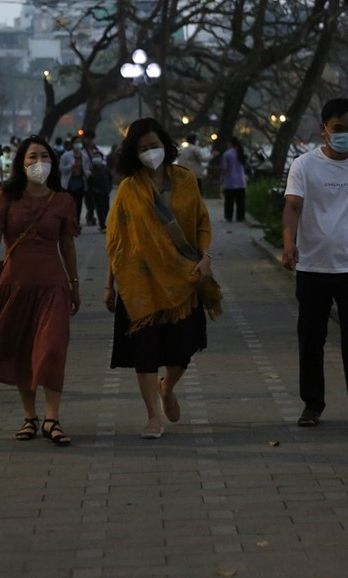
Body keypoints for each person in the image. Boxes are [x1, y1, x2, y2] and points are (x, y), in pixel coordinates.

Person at [0, 135, 81, 446]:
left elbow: (68, 245)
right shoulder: (5, 197)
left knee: (51, 349)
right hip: (14, 284)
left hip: (53, 285)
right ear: (20, 162)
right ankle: (30, 417)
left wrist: (75, 284)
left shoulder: (62, 201)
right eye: (33, 157)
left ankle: (53, 418)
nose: (40, 163)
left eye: (45, 157)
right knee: (23, 351)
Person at [103, 117, 222, 439]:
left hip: (183, 279)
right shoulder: (129, 189)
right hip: (139, 284)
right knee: (145, 353)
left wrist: (206, 259)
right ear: (133, 153)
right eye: (143, 148)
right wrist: (109, 284)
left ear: (165, 146)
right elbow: (116, 239)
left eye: (154, 146)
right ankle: (152, 416)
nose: (150, 152)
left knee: (182, 350)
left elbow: (202, 224)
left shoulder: (185, 180)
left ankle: (167, 386)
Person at [281, 97, 348, 437]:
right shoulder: (304, 166)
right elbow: (293, 207)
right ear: (323, 130)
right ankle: (312, 404)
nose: (345, 135)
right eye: (338, 129)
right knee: (311, 339)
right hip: (314, 267)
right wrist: (289, 243)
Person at [59, 135, 91, 225]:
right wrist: (71, 167)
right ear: (72, 144)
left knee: (79, 204)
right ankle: (68, 222)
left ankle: (76, 222)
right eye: (76, 142)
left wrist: (87, 173)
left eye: (79, 142)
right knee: (69, 204)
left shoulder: (84, 156)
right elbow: (61, 168)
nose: (78, 144)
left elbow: (87, 168)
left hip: (80, 182)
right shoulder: (66, 155)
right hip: (69, 182)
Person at [220, 136, 248, 222]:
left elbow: (224, 168)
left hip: (230, 181)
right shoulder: (241, 153)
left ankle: (229, 216)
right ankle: (240, 217)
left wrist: (221, 178)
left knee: (229, 200)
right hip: (241, 180)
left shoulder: (227, 154)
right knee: (240, 201)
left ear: (230, 143)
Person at [87, 149, 112, 233]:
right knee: (99, 209)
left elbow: (110, 179)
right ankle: (102, 225)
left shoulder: (106, 169)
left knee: (106, 208)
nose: (96, 158)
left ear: (101, 158)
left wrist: (109, 188)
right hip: (96, 192)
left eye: (98, 156)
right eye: (95, 157)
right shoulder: (90, 170)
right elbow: (89, 182)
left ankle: (103, 222)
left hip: (105, 192)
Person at [81, 129, 103, 226]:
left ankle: (93, 216)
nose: (89, 141)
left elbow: (104, 163)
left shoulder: (97, 151)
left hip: (96, 179)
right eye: (87, 139)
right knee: (88, 199)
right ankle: (90, 216)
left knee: (96, 199)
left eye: (91, 139)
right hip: (86, 179)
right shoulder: (82, 152)